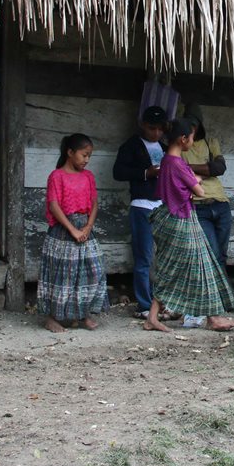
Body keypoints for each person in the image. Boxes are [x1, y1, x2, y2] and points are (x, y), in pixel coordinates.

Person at [144, 119, 234, 333]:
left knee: (175, 267)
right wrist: (196, 179)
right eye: (192, 137)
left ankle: (208, 317)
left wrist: (192, 179)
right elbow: (200, 192)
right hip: (182, 219)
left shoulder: (167, 160)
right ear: (183, 138)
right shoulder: (178, 163)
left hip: (172, 217)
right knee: (197, 266)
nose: (193, 141)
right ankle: (211, 318)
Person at [39, 134, 108, 333]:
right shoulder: (56, 176)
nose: (86, 160)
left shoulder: (88, 176)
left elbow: (94, 203)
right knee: (62, 274)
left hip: (85, 228)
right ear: (70, 153)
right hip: (63, 230)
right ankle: (52, 317)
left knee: (91, 271)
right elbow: (53, 205)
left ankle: (83, 314)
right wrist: (72, 230)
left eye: (89, 156)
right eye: (84, 155)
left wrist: (87, 227)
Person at [113, 106, 168, 319]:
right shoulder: (131, 146)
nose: (156, 133)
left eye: (160, 129)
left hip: (162, 206)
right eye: (152, 128)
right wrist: (146, 172)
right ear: (143, 124)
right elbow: (118, 172)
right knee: (144, 257)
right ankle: (144, 305)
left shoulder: (164, 147)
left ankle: (163, 303)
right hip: (142, 205)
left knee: (164, 258)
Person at [181, 104, 232, 268]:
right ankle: (215, 292)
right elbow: (180, 173)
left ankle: (222, 292)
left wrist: (188, 167)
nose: (192, 129)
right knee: (213, 253)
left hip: (221, 203)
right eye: (189, 125)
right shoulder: (180, 147)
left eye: (194, 125)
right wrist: (207, 168)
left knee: (222, 253)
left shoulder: (210, 143)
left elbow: (220, 168)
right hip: (198, 205)